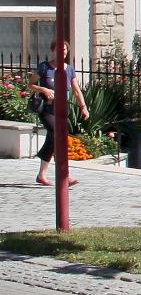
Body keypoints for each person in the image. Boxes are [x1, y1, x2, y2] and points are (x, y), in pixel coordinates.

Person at [31, 39, 88, 188]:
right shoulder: (44, 67)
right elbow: (30, 85)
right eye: (58, 49)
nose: (61, 52)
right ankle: (65, 174)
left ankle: (41, 174)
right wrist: (44, 89)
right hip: (47, 110)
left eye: (64, 50)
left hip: (62, 111)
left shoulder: (69, 70)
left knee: (53, 140)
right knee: (57, 134)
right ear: (52, 51)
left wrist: (83, 107)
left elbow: (76, 90)